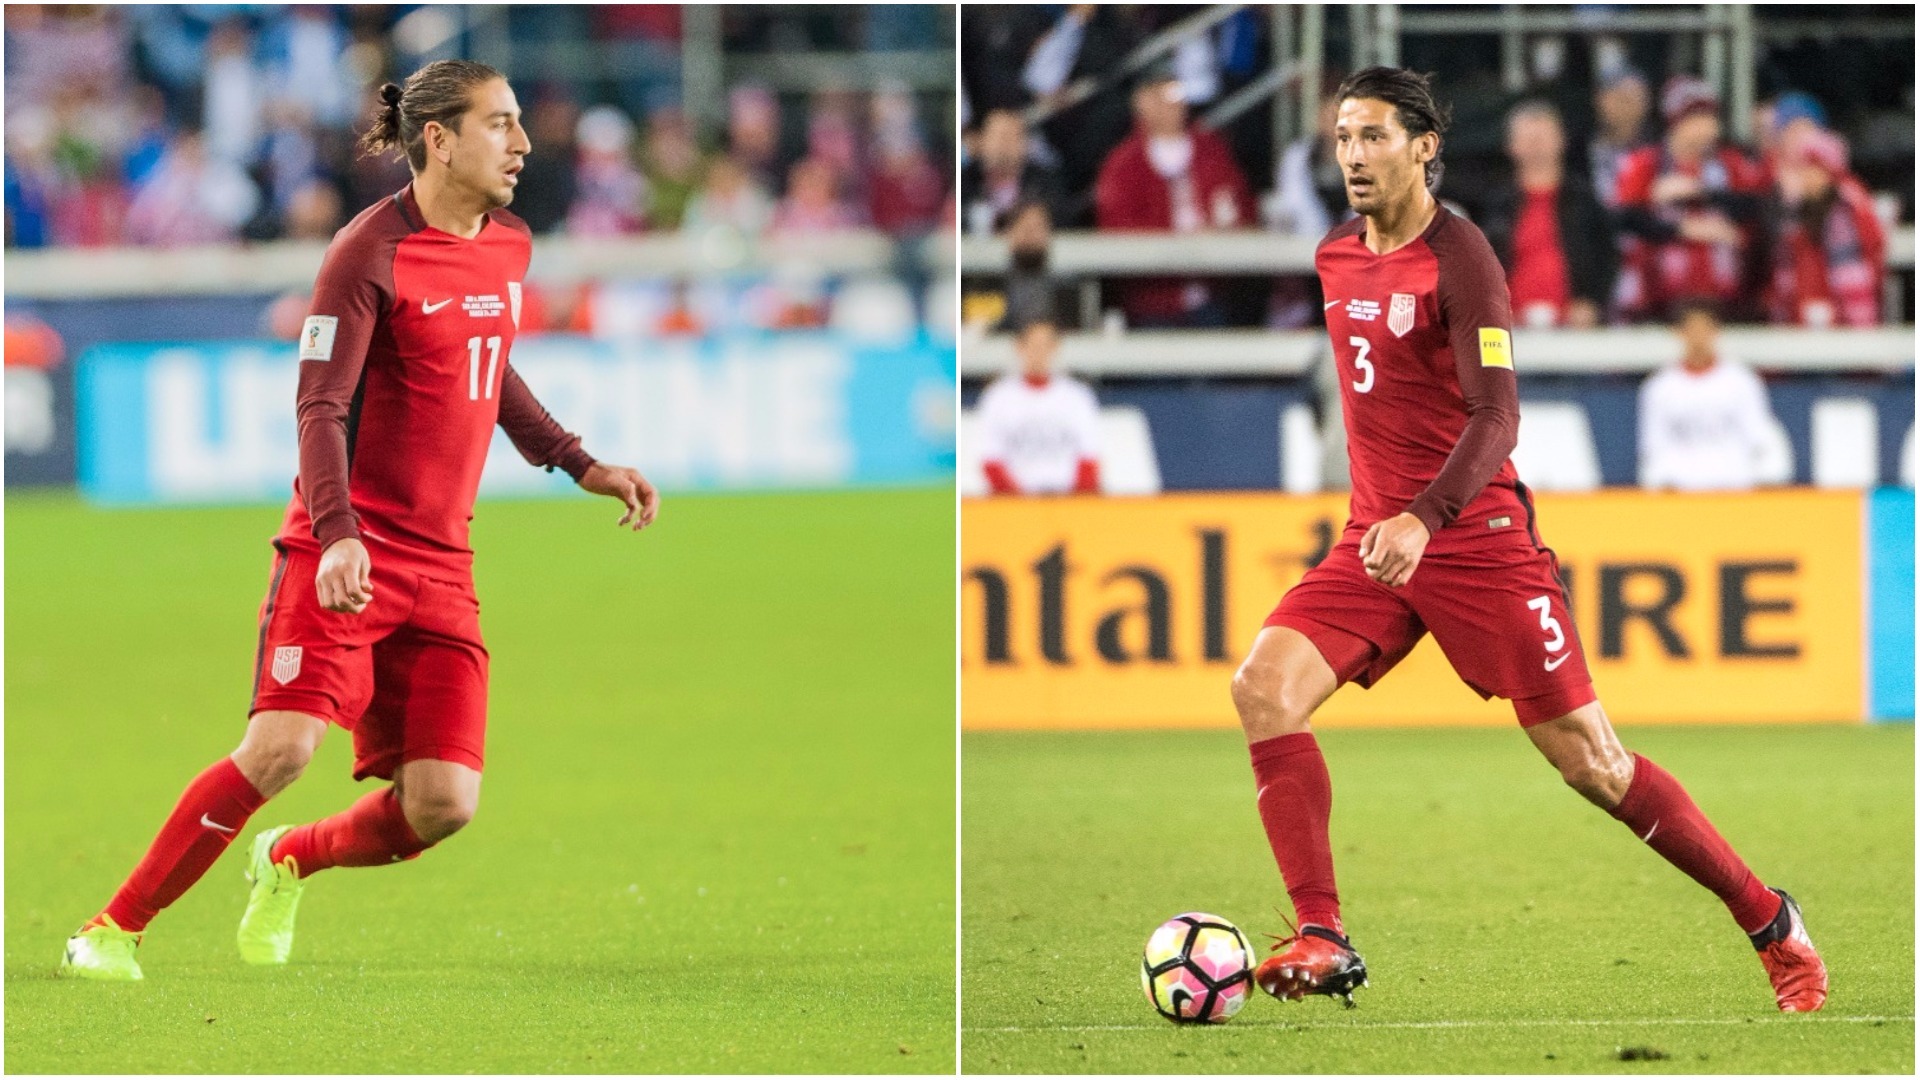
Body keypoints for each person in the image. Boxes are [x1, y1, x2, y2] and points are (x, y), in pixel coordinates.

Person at [1234, 67, 1825, 1014]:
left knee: (1593, 763)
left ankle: (1769, 919)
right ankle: (1323, 933)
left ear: (1424, 146)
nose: (1354, 155)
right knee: (1263, 689)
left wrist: (1425, 517)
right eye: (1344, 138)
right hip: (1377, 542)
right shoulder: (1336, 255)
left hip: (1472, 539)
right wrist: (1393, 521)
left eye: (1374, 136)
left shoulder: (1461, 257)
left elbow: (1497, 416)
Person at [60, 60, 661, 981]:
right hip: (344, 550)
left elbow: (487, 364)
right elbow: (320, 406)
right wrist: (337, 533)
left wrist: (580, 462)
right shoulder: (367, 250)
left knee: (443, 804)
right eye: (499, 124)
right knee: (281, 749)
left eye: (517, 123)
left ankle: (289, 858)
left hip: (443, 564)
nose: (522, 144)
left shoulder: (509, 244)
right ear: (439, 140)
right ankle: (111, 930)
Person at [1093, 66, 1255, 328]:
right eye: (1163, 95)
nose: (1173, 104)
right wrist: (1176, 240)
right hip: (1152, 301)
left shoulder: (1212, 151)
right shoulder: (1124, 163)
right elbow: (1117, 227)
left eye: (1177, 95)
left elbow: (1241, 208)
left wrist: (1219, 234)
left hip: (1211, 294)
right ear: (1143, 102)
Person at [1613, 77, 1768, 323]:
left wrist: (1700, 193)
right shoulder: (1647, 163)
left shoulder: (1730, 163)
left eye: (1710, 117)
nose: (1707, 127)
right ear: (1676, 122)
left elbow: (1755, 206)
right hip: (1659, 301)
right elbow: (1626, 219)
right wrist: (1683, 229)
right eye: (1696, 118)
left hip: (1724, 298)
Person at [1478, 100, 1616, 328]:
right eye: (1528, 139)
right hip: (1512, 327)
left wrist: (1593, 303)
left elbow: (1608, 257)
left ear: (1561, 141)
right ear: (1511, 145)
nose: (1536, 146)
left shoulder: (1585, 201)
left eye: (1542, 138)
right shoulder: (1497, 204)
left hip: (1575, 327)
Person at [1640, 298, 1785, 491]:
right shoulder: (1660, 387)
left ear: (1716, 331)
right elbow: (1654, 447)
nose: (1698, 337)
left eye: (1704, 329)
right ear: (1678, 333)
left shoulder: (1741, 381)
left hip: (1735, 486)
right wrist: (1661, 484)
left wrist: (1765, 479)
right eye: (1691, 329)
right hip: (1683, 489)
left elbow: (1759, 436)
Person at [1767, 127, 1885, 328]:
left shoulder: (1844, 209)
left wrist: (1857, 325)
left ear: (1830, 172)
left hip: (1841, 312)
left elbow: (1852, 274)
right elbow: (1786, 268)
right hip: (1802, 307)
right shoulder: (1795, 208)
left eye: (1813, 168)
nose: (1806, 176)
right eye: (1802, 168)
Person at [974, 316, 1101, 496]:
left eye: (1045, 345)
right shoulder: (998, 397)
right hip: (1015, 502)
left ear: (1055, 348)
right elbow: (990, 459)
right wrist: (1018, 502)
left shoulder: (1077, 396)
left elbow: (1089, 457)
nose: (1039, 353)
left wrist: (1076, 502)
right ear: (1019, 347)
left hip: (1067, 499)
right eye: (1033, 345)